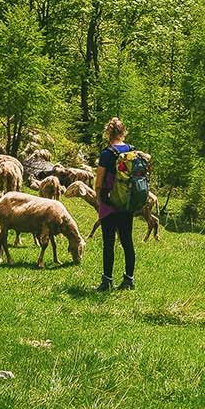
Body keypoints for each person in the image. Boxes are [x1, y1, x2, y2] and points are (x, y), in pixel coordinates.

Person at [95, 116, 136, 292]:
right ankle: (129, 279)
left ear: (108, 133)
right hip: (127, 203)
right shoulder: (132, 151)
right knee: (127, 240)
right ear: (123, 132)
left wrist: (99, 198)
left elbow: (99, 182)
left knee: (108, 242)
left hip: (109, 203)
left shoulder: (106, 153)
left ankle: (107, 281)